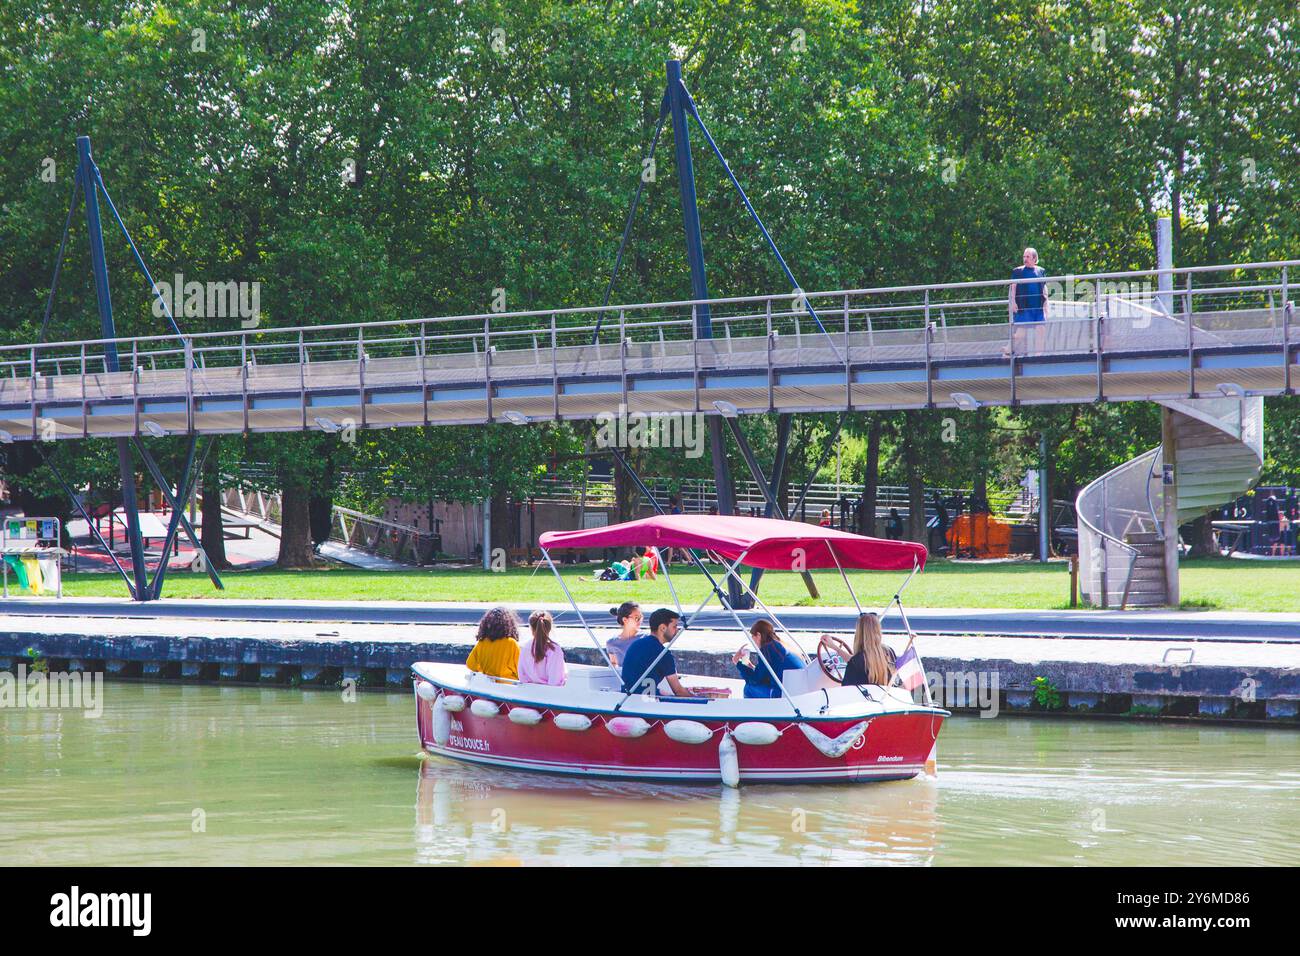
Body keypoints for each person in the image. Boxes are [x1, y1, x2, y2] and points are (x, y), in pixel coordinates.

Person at [620, 608, 695, 697]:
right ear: (663, 628)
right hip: (647, 703)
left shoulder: (636, 644)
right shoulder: (663, 654)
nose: (677, 630)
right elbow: (678, 691)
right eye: (674, 627)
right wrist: (701, 698)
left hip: (626, 699)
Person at [732, 619, 804, 699]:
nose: (752, 641)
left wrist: (737, 663)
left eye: (752, 637)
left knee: (748, 689)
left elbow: (755, 680)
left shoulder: (766, 650)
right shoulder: (778, 646)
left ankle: (752, 711)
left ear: (758, 635)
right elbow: (767, 674)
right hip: (796, 691)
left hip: (782, 694)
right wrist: (753, 667)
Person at [465, 605, 521, 681]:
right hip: (508, 687)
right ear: (509, 624)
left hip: (488, 685)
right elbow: (521, 670)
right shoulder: (511, 643)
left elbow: (470, 665)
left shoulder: (481, 643)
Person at [840, 613, 896, 686]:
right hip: (885, 695)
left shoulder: (856, 661)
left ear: (859, 633)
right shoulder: (888, 652)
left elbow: (845, 689)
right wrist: (835, 647)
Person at [519, 609, 566, 685]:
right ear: (550, 627)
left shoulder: (525, 647)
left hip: (528, 691)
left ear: (531, 628)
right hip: (549, 693)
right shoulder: (554, 649)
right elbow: (555, 681)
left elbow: (522, 676)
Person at [1009, 246, 1050, 323]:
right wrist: (1013, 302)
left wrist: (1046, 304)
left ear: (1034, 258)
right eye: (1024, 257)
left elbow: (1044, 288)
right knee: (1020, 333)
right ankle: (1012, 335)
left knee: (1041, 329)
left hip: (1038, 308)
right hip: (1024, 308)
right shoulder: (1018, 271)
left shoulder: (1041, 271)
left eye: (1028, 257)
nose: (1025, 259)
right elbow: (1013, 287)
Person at [605, 601, 642, 666]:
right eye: (636, 618)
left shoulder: (647, 638)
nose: (640, 620)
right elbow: (613, 664)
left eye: (641, 617)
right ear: (625, 620)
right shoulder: (611, 643)